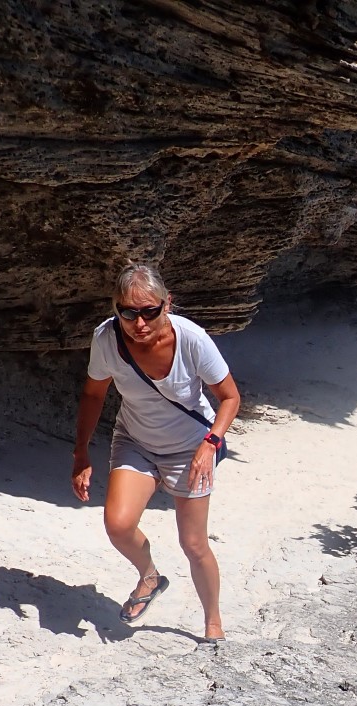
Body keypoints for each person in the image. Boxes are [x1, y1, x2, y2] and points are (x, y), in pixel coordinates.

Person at [72, 263, 241, 641]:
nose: (139, 323)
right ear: (116, 308)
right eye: (128, 312)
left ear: (167, 304)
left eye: (149, 311)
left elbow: (230, 398)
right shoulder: (107, 339)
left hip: (190, 448)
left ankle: (213, 624)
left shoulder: (192, 340)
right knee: (117, 524)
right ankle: (149, 578)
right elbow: (93, 394)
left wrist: (210, 443)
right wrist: (80, 453)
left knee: (194, 544)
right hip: (136, 440)